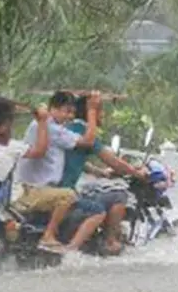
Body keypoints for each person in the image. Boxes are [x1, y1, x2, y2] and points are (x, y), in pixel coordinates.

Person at [14, 90, 104, 253]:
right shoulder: (51, 128)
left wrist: (98, 171)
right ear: (52, 109)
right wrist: (92, 110)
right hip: (36, 190)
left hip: (29, 189)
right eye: (66, 111)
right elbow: (88, 140)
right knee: (70, 196)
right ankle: (49, 236)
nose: (70, 117)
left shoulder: (42, 124)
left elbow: (59, 157)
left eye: (73, 112)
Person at [59, 94, 148, 254]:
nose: (103, 115)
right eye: (100, 111)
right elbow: (113, 161)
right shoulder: (85, 132)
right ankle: (110, 241)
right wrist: (136, 172)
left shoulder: (67, 129)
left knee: (94, 189)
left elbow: (74, 158)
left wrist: (98, 172)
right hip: (65, 193)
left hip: (57, 189)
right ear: (90, 113)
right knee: (119, 195)